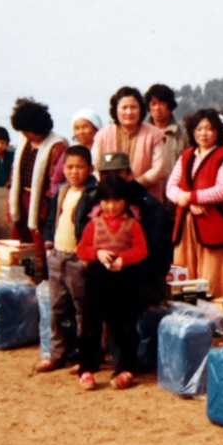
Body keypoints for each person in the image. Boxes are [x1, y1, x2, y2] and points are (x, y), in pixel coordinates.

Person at [76, 174, 149, 391]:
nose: (111, 206)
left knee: (124, 324)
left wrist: (123, 259)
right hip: (97, 278)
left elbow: (141, 249)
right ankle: (87, 368)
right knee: (90, 323)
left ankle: (127, 367)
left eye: (116, 200)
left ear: (125, 201)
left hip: (124, 280)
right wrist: (97, 253)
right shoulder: (93, 225)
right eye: (106, 201)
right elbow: (81, 249)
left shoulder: (133, 225)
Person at [166, 108, 223, 298]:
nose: (203, 133)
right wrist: (188, 204)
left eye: (209, 129)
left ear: (218, 132)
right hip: (186, 224)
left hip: (215, 227)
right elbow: (171, 187)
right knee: (184, 279)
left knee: (212, 283)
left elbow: (222, 190)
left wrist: (190, 197)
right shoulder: (187, 155)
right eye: (199, 129)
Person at [38, 145, 97, 373]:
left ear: (90, 168)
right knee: (59, 309)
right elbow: (53, 219)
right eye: (69, 167)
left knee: (82, 309)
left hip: (79, 259)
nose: (74, 172)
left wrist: (87, 256)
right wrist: (48, 245)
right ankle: (59, 352)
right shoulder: (62, 190)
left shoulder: (93, 193)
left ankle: (86, 355)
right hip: (58, 257)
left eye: (80, 167)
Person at [95, 151, 172, 311]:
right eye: (106, 174)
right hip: (105, 279)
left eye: (117, 173)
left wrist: (124, 265)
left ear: (130, 174)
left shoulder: (149, 206)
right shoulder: (97, 200)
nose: (112, 179)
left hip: (139, 282)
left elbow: (157, 256)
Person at [7, 98, 68, 271]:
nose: (26, 134)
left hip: (42, 204)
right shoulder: (23, 140)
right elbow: (15, 169)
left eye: (28, 131)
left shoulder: (57, 145)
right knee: (18, 246)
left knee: (40, 247)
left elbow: (57, 180)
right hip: (21, 199)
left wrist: (46, 204)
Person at [91, 86, 166, 202]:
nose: (129, 112)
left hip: (146, 199)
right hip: (109, 200)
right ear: (116, 110)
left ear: (141, 109)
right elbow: (95, 166)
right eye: (124, 107)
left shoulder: (154, 135)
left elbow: (159, 169)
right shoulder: (103, 135)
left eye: (133, 107)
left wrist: (134, 186)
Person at [145, 84, 186, 197]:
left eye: (162, 103)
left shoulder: (183, 134)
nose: (157, 108)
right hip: (148, 199)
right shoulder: (142, 134)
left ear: (170, 106)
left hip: (176, 197)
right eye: (153, 104)